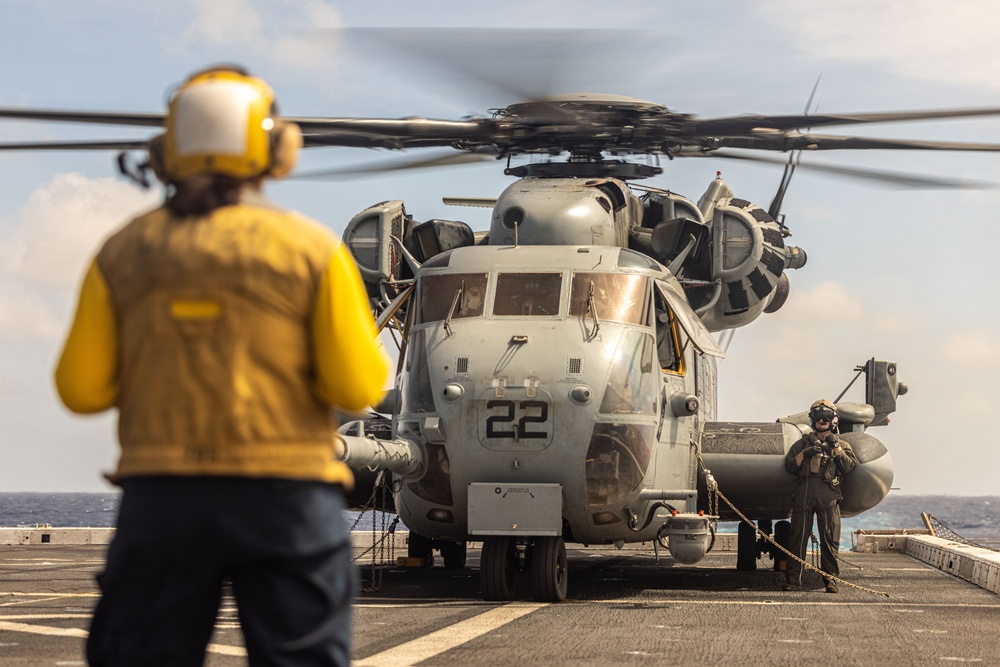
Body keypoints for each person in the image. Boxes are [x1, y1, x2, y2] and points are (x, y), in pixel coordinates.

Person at [54, 66, 388, 666]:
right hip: (287, 503)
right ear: (276, 150)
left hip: (163, 503)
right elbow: (359, 386)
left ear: (167, 151)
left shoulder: (123, 250)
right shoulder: (310, 251)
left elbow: (80, 390)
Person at [782, 399, 857, 593]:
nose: (821, 420)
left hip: (829, 495)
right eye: (817, 416)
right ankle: (793, 580)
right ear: (812, 419)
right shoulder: (802, 444)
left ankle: (831, 580)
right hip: (804, 494)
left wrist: (836, 447)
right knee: (798, 538)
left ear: (833, 420)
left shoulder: (841, 445)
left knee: (830, 539)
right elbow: (790, 466)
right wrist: (804, 454)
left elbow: (848, 466)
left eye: (826, 416)